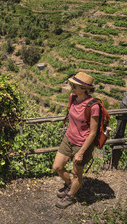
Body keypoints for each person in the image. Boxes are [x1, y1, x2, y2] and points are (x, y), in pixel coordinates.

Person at [52, 72, 99, 209]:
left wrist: (82, 151)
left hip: (82, 144)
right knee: (57, 166)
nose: (71, 87)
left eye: (75, 85)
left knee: (76, 173)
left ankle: (71, 196)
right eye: (72, 84)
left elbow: (93, 132)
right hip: (69, 138)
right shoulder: (72, 97)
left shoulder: (93, 106)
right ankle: (69, 185)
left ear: (84, 88)